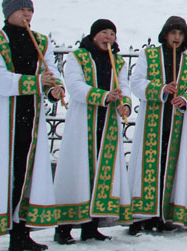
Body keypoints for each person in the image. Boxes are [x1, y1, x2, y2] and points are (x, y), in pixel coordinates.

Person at [0, 0, 65, 251]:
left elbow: (51, 71)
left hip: (30, 116)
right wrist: (36, 82)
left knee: (26, 173)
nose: (27, 14)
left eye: (30, 10)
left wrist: (53, 88)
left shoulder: (41, 42)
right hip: (3, 118)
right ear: (9, 13)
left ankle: (20, 234)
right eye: (22, 10)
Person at [53, 19, 132, 244]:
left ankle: (91, 226)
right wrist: (105, 96)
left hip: (107, 124)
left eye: (112, 34)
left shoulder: (118, 62)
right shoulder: (77, 57)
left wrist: (124, 102)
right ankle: (64, 228)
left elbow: (123, 85)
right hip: (83, 123)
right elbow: (75, 86)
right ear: (94, 35)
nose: (108, 37)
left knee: (100, 174)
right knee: (77, 173)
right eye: (104, 32)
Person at [128, 16, 187, 234]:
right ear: (165, 34)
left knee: (168, 167)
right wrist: (161, 89)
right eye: (173, 33)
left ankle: (161, 213)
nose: (176, 38)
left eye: (180, 34)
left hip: (175, 120)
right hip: (153, 118)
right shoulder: (149, 55)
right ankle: (140, 215)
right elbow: (136, 81)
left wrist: (186, 98)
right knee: (147, 167)